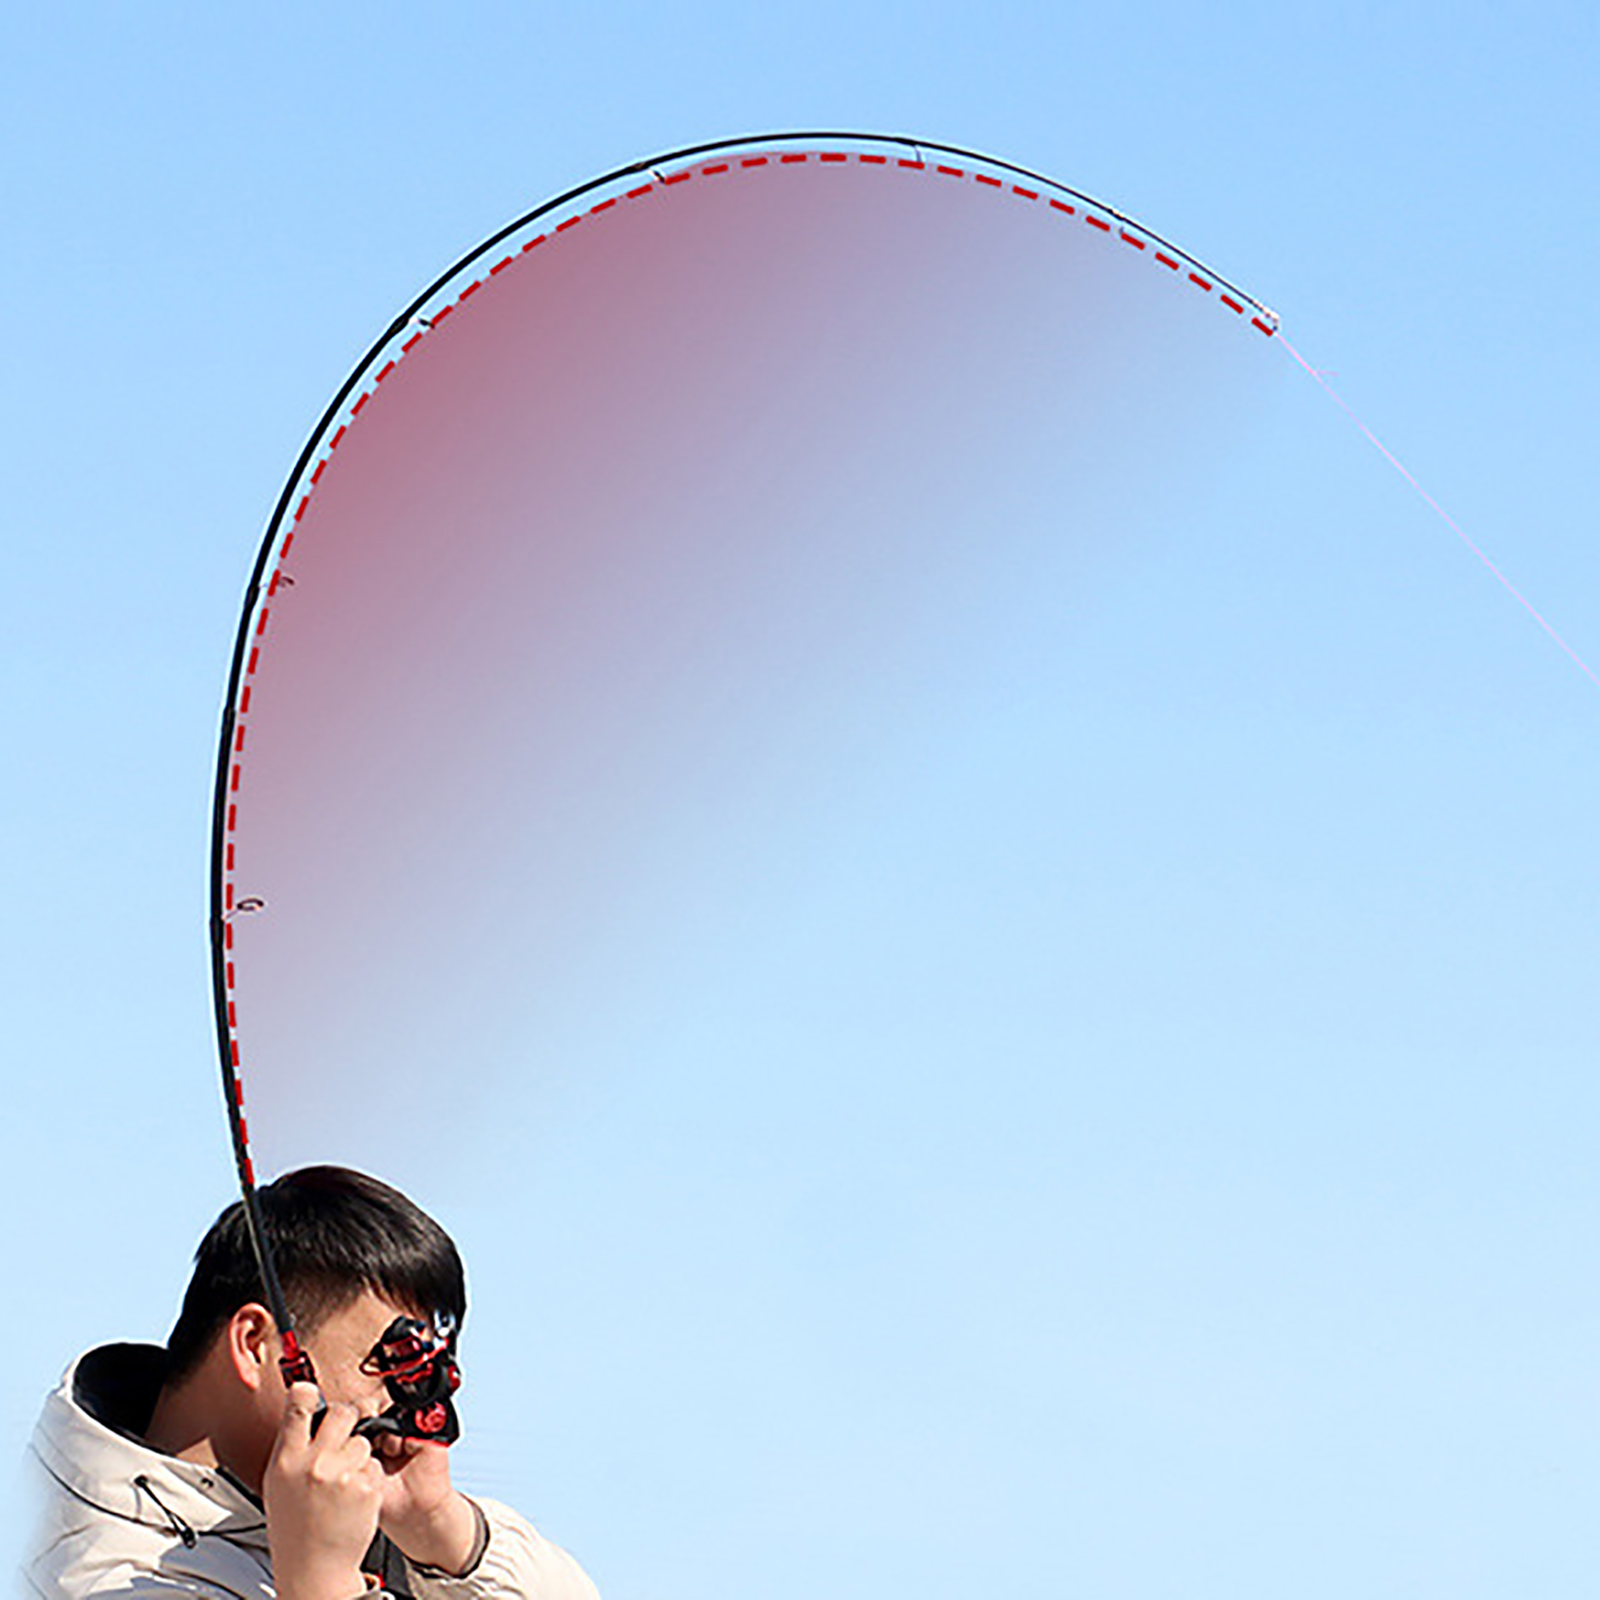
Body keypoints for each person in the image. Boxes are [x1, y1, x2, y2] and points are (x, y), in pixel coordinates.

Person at [27, 1166, 601, 1600]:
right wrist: (322, 1584)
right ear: (257, 1344)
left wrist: (440, 1529)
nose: (402, 1405)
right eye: (388, 1362)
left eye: (421, 1371)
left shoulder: (335, 1525)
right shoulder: (97, 1572)